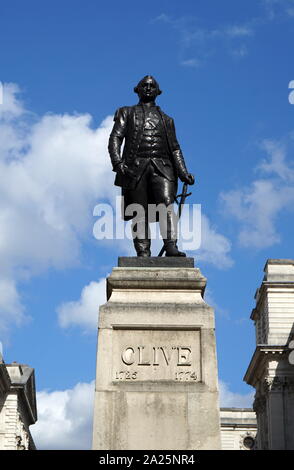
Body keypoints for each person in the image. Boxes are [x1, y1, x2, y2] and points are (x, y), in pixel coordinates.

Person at [108, 75, 195, 257]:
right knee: (139, 211)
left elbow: (175, 148)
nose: (148, 88)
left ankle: (171, 245)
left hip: (162, 167)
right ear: (137, 89)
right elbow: (116, 137)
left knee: (167, 204)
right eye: (144, 85)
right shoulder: (126, 112)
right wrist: (117, 162)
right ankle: (143, 251)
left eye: (152, 86)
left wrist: (183, 173)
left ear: (158, 92)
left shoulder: (167, 119)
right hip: (135, 167)